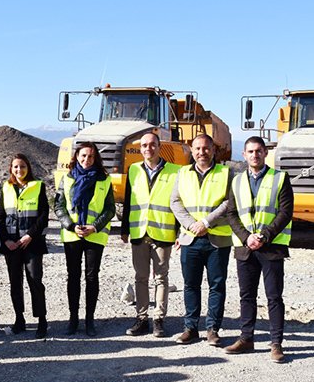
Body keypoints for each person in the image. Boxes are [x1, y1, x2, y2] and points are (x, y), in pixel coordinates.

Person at [224, 136, 294, 363]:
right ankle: (246, 338)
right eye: (250, 151)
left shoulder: (280, 178)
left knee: (274, 297)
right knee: (247, 296)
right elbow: (232, 214)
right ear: (244, 155)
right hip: (246, 248)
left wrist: (264, 236)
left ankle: (276, 344)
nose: (255, 155)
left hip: (271, 247)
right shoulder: (236, 181)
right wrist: (246, 238)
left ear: (265, 153)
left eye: (259, 151)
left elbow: (286, 212)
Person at [170, 133, 232, 346]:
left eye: (206, 148)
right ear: (192, 151)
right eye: (197, 149)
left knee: (217, 285)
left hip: (217, 239)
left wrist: (205, 223)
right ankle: (191, 328)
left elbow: (228, 202)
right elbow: (175, 202)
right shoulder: (183, 173)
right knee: (191, 285)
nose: (201, 152)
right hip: (190, 239)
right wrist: (190, 225)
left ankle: (213, 329)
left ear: (213, 150)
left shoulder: (226, 173)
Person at [120, 132, 180, 338]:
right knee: (141, 277)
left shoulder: (175, 171)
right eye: (144, 145)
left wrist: (180, 231)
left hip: (163, 231)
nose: (148, 148)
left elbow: (179, 203)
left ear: (159, 146)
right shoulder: (134, 170)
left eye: (152, 145)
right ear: (140, 148)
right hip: (139, 230)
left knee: (161, 278)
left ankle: (159, 319)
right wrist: (124, 229)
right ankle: (142, 318)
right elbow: (129, 201)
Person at [54, 142, 115, 336]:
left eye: (90, 156)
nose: (86, 159)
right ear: (76, 157)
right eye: (83, 156)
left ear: (95, 158)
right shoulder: (67, 178)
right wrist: (71, 226)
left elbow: (110, 208)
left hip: (94, 235)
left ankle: (90, 321)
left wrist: (95, 226)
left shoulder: (105, 180)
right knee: (73, 276)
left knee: (91, 277)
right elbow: (59, 206)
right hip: (72, 234)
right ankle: (73, 320)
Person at [0, 154, 49, 338]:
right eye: (16, 167)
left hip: (32, 244)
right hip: (11, 245)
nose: (19, 170)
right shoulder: (7, 188)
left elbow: (43, 215)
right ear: (11, 169)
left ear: (29, 168)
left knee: (35, 281)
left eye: (23, 166)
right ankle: (19, 319)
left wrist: (29, 236)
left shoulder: (38, 186)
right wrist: (6, 240)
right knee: (15, 283)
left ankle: (42, 320)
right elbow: (0, 218)